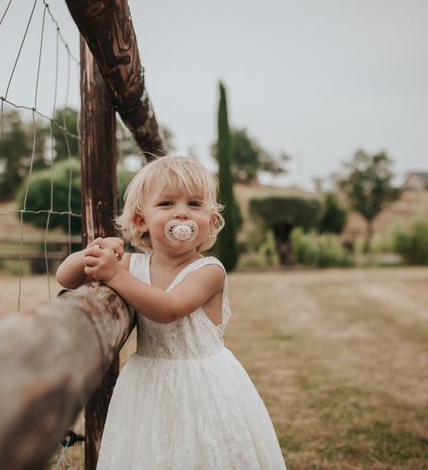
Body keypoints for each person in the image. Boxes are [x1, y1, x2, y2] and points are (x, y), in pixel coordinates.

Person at [56, 155, 287, 469]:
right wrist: (93, 251)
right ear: (141, 221)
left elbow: (169, 309)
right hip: (148, 379)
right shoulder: (132, 265)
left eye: (194, 204)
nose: (182, 213)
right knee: (153, 449)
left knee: (204, 450)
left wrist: (114, 275)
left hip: (203, 383)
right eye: (166, 204)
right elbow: (66, 278)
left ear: (210, 219)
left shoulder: (208, 271)